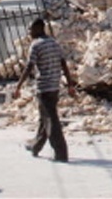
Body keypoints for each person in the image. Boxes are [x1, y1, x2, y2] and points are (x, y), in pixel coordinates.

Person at [13, 18, 78, 163]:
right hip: (55, 87)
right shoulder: (54, 43)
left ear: (38, 29)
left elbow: (29, 66)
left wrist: (18, 86)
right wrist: (70, 84)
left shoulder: (36, 45)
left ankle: (61, 153)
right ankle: (36, 146)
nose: (29, 33)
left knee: (51, 120)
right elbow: (64, 64)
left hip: (43, 87)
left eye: (30, 29)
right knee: (45, 118)